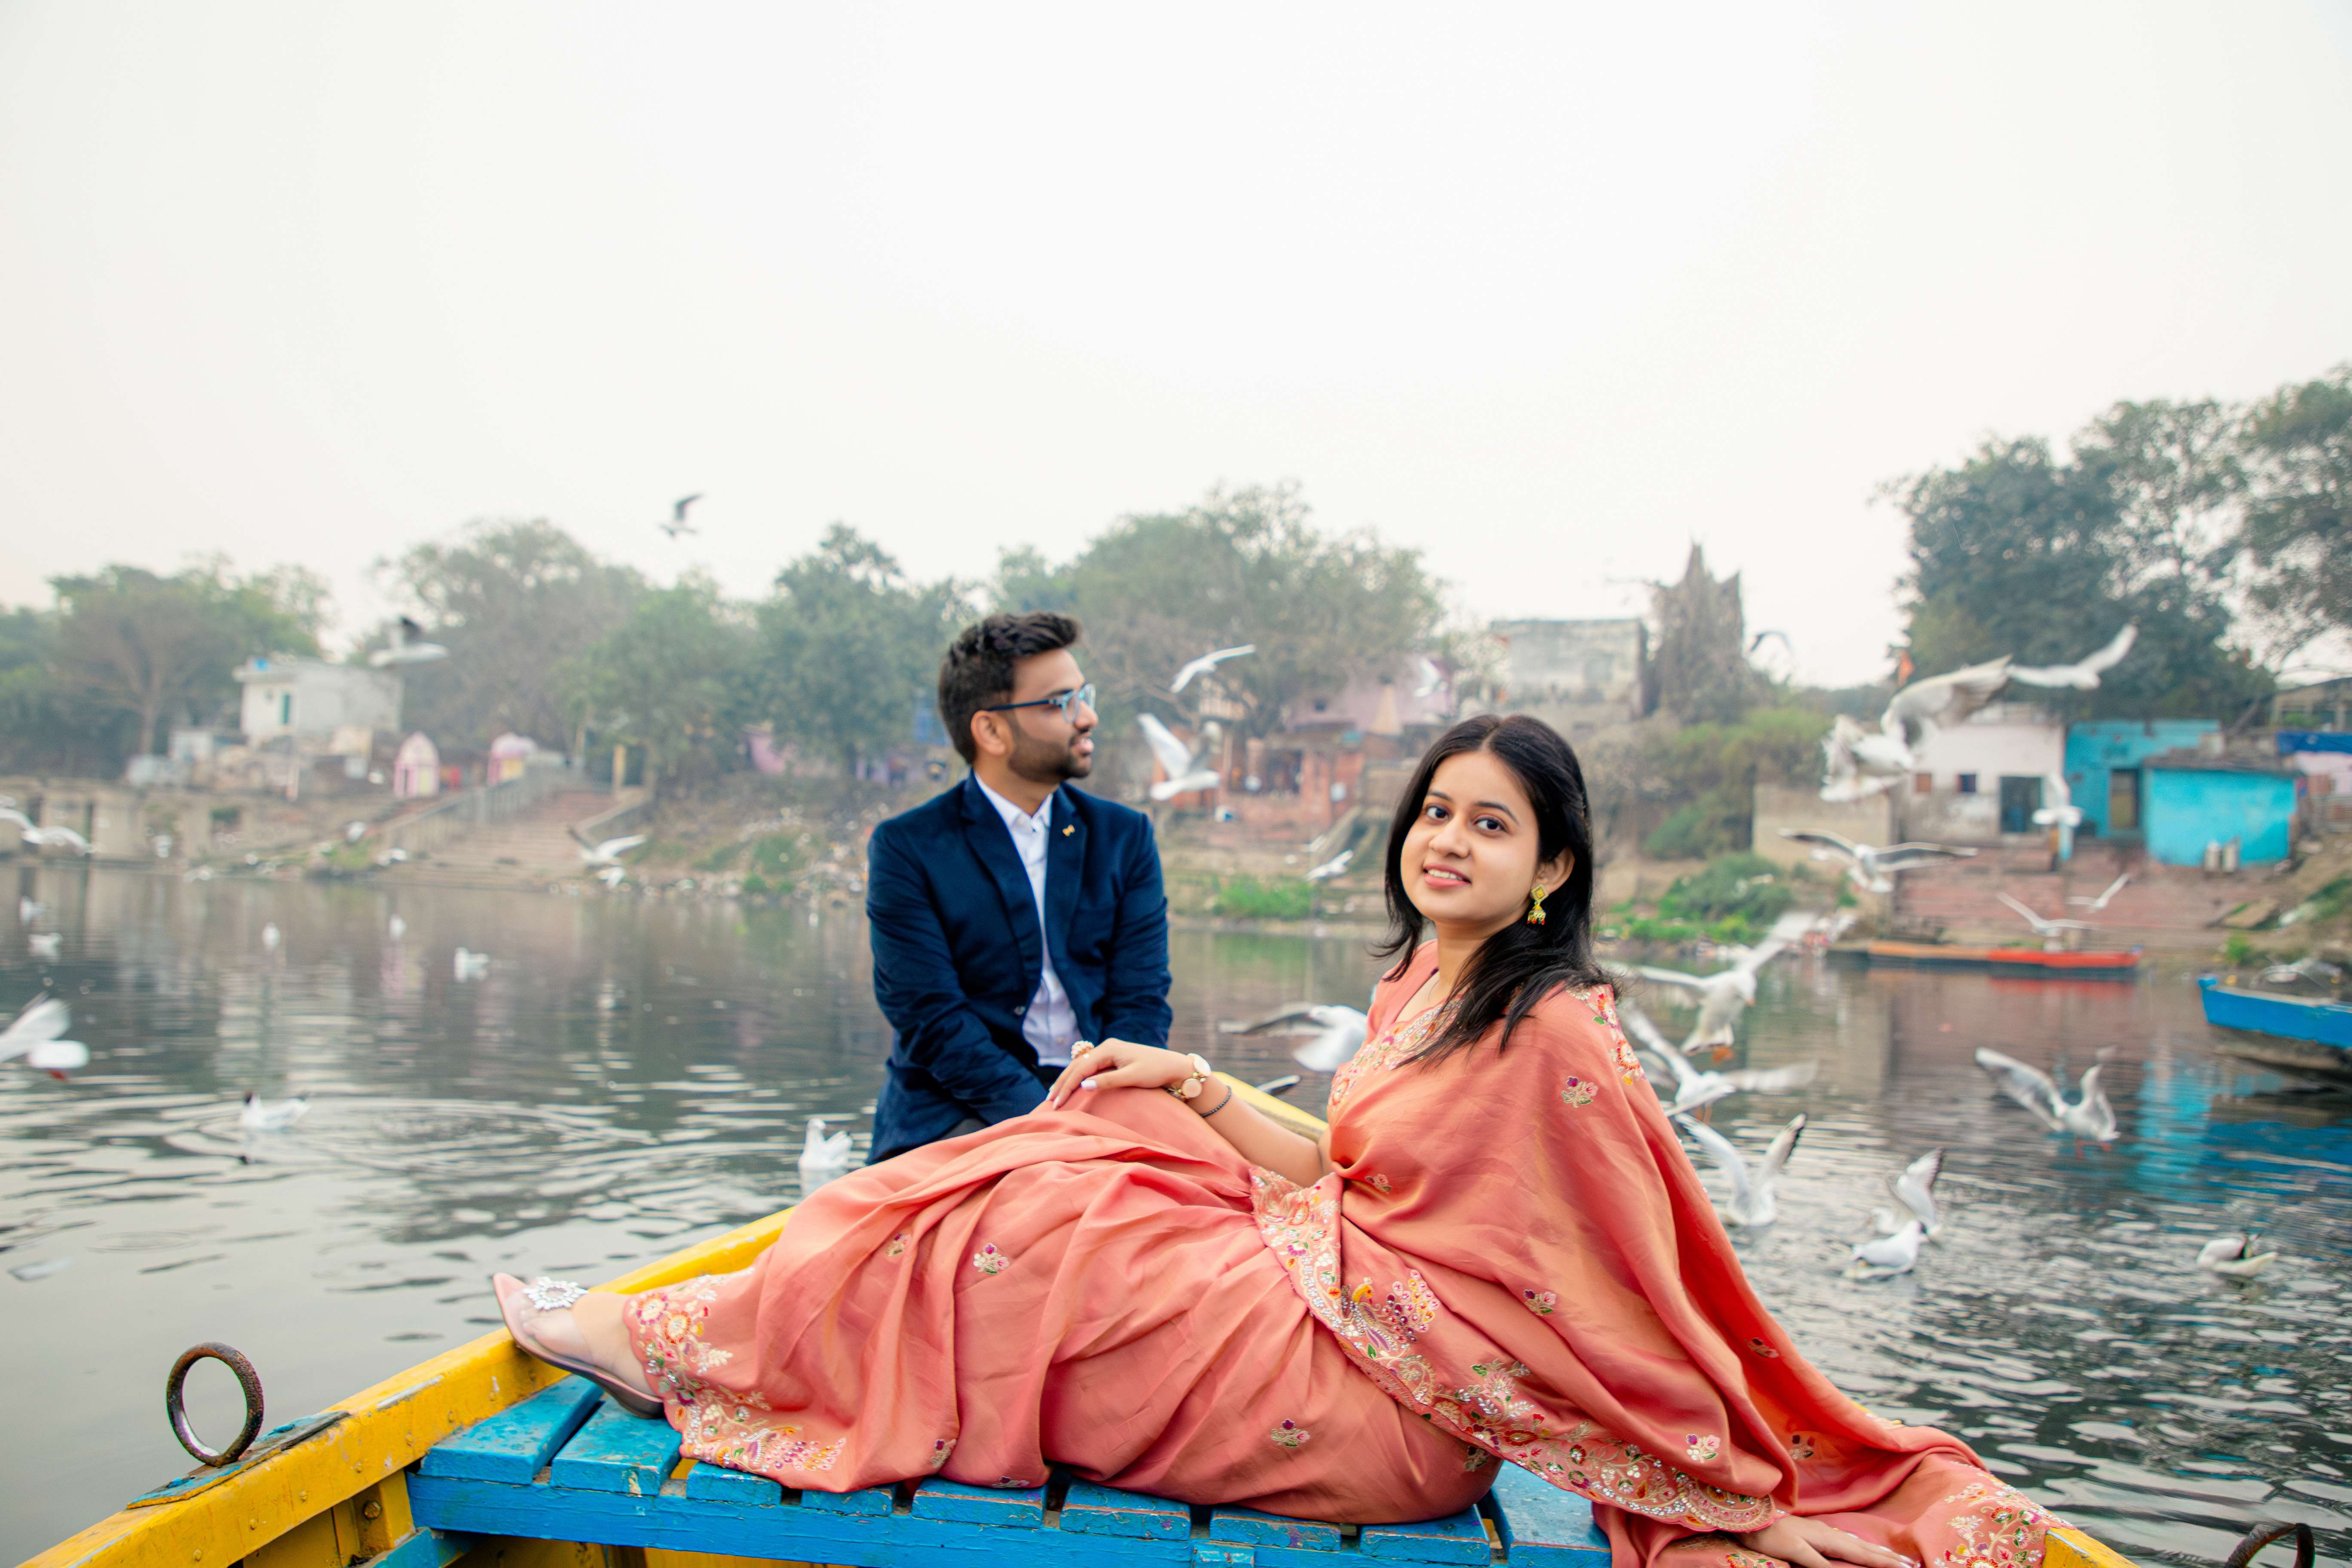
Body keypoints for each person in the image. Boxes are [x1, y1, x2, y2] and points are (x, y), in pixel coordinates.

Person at [492, 714, 2060, 1567]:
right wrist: (1187, 1079)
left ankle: (699, 1346)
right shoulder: (1426, 975)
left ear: (1550, 865)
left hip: (1386, 1393)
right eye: (1435, 808)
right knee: (1090, 1128)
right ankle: (717, 1334)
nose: (1446, 836)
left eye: (1489, 822)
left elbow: (1629, 1294)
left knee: (1045, 1231)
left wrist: (1724, 1489)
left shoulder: (1556, 1029)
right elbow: (1355, 1173)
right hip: (1340, 1295)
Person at [863, 611, 1173, 1161]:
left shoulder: (1124, 838)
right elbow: (934, 1023)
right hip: (961, 1113)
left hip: (1106, 1102)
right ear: (991, 730)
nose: (1088, 717)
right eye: (1062, 703)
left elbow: (1141, 1003)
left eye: (1085, 695)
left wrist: (1108, 1106)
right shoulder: (910, 849)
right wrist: (1049, 1127)